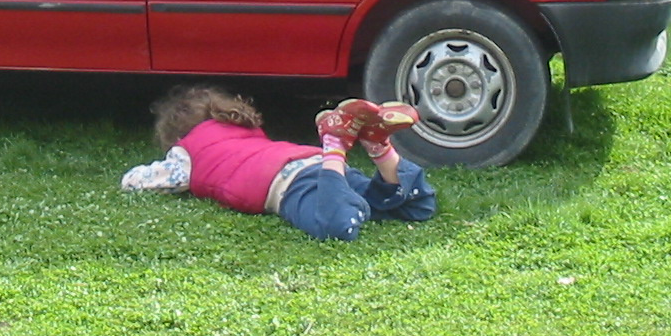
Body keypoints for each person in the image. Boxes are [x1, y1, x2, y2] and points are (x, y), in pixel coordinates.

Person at [121, 86, 437, 240]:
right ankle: (379, 147)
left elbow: (145, 181)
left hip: (290, 185)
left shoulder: (186, 152)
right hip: (312, 164)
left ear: (175, 133)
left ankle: (335, 142)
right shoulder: (247, 130)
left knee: (336, 225)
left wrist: (138, 175)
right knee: (416, 208)